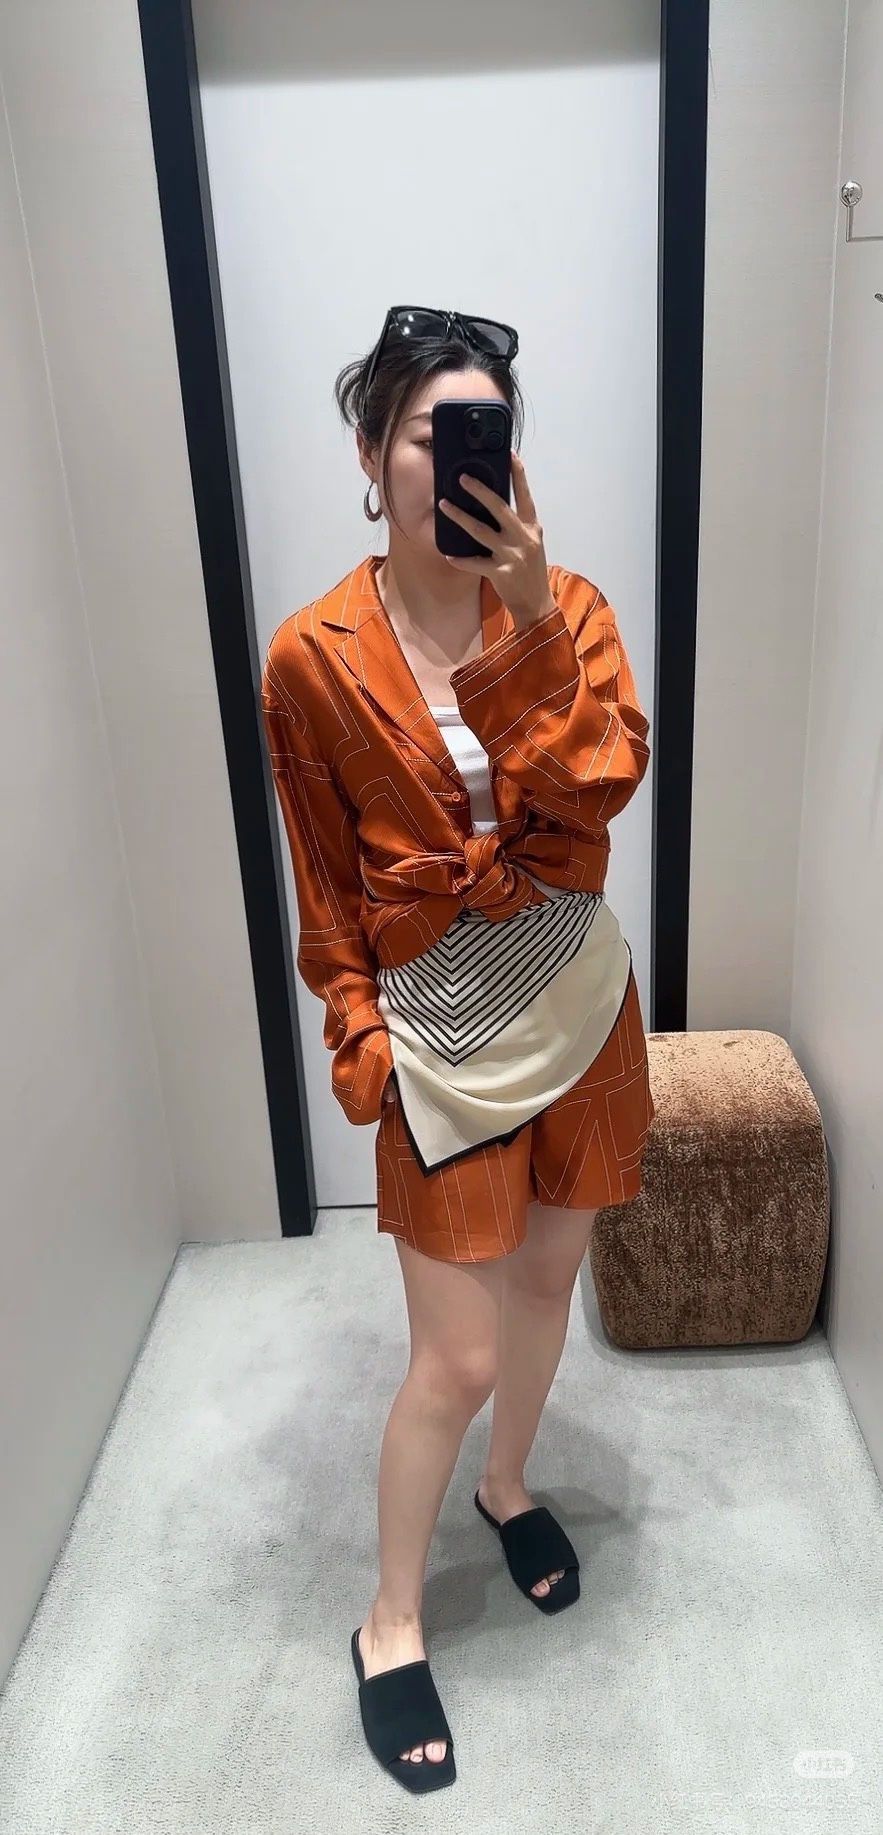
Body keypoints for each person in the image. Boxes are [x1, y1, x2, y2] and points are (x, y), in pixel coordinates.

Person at [261, 306, 655, 1794]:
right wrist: (356, 1030)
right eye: (434, 431)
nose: (462, 457)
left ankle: (509, 1485)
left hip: (577, 1003)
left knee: (549, 1287)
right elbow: (322, 878)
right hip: (437, 1037)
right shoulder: (312, 659)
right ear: (375, 455)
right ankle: (390, 1620)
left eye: (487, 431)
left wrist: (534, 624)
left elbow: (599, 792)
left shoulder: (573, 610)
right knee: (458, 1354)